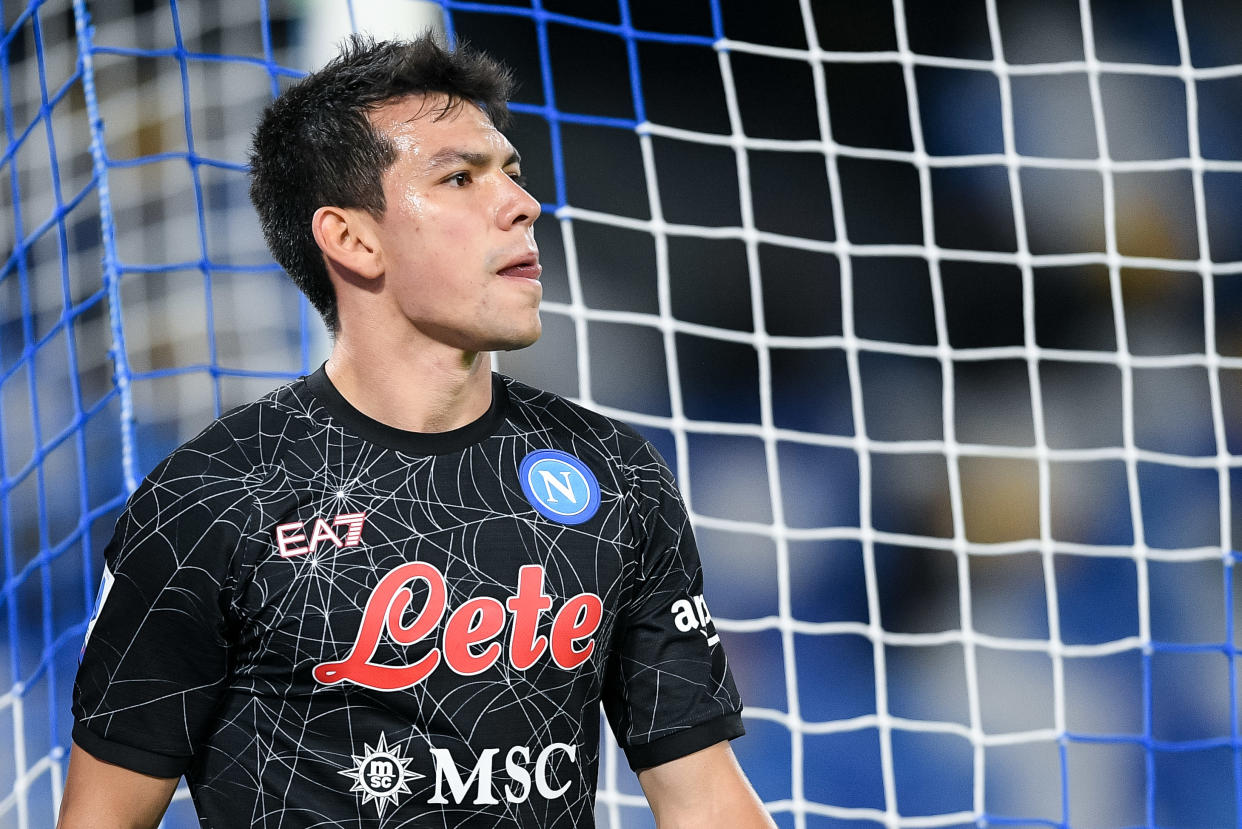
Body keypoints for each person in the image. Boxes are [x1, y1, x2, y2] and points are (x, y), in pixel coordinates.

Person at [59, 33, 773, 828]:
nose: (521, 203)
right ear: (352, 239)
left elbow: (705, 799)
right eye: (460, 177)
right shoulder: (211, 498)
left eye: (511, 172)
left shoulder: (614, 473)